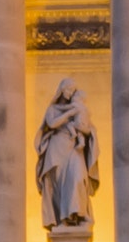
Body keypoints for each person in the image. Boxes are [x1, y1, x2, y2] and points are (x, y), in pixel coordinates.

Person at [36, 78, 100, 229]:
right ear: (61, 90)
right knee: (57, 185)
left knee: (78, 178)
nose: (70, 93)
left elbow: (87, 128)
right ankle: (64, 219)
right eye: (68, 89)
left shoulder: (78, 108)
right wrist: (70, 113)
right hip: (56, 148)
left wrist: (86, 130)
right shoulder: (53, 109)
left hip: (74, 148)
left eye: (73, 90)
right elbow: (52, 124)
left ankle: (80, 214)